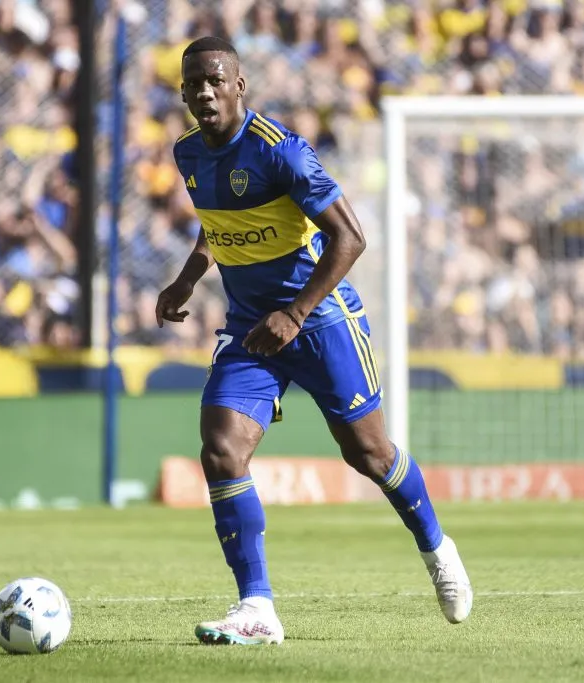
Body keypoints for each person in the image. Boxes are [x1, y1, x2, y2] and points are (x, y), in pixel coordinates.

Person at [156, 36, 473, 646]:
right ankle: (258, 609)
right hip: (251, 328)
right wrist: (186, 279)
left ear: (239, 85)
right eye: (193, 82)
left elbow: (350, 237)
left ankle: (437, 548)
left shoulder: (283, 153)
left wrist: (297, 314)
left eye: (216, 80)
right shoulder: (188, 154)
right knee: (221, 449)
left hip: (322, 321)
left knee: (369, 456)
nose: (204, 91)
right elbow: (218, 225)